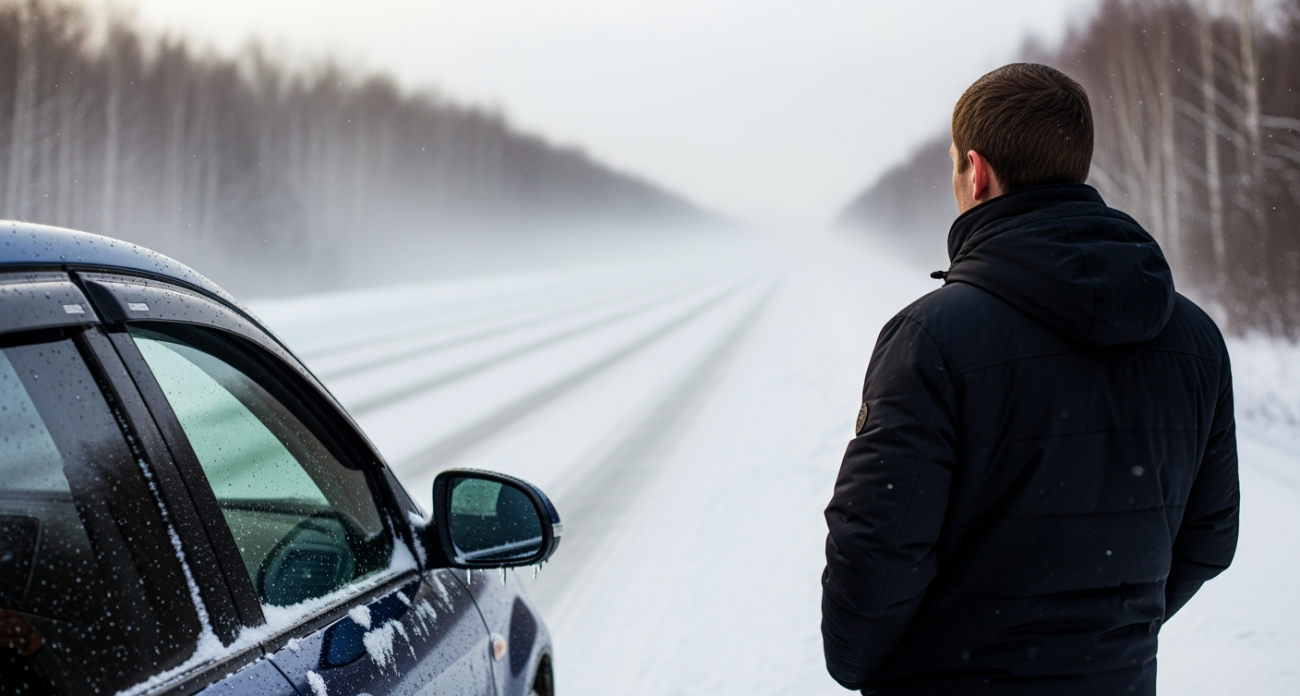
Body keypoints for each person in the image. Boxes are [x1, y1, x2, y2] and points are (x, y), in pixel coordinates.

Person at [821, 63, 1239, 695]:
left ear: (976, 171)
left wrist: (888, 661)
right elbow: (1209, 538)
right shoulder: (1195, 340)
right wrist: (1101, 639)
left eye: (954, 169)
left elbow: (875, 561)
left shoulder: (931, 339)